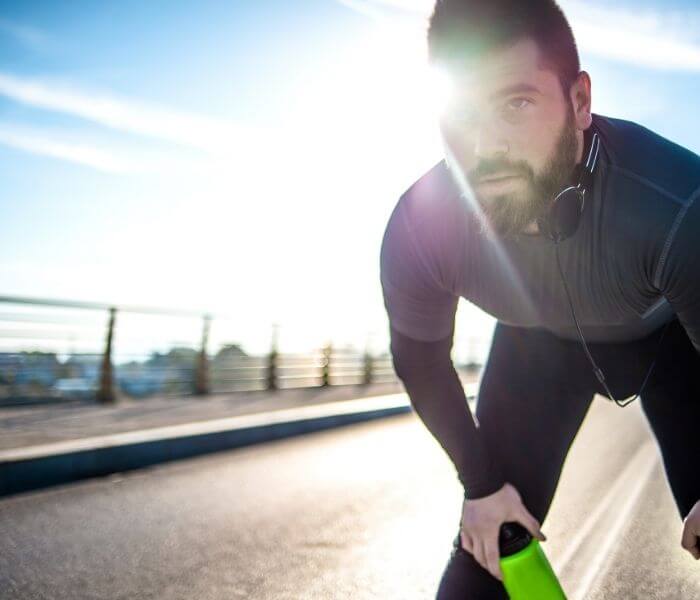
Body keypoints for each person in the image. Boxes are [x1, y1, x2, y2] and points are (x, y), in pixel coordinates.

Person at [378, 0, 700, 597]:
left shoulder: (680, 207)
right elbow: (419, 359)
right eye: (463, 113)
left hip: (679, 347)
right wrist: (479, 485)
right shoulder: (420, 228)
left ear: (580, 102)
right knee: (487, 553)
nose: (485, 146)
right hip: (538, 352)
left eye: (516, 104)